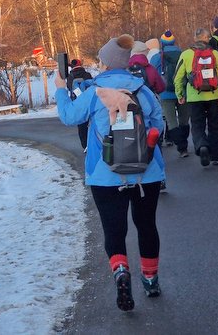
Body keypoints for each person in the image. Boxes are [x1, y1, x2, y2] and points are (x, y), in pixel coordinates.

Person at [55, 34, 165, 312]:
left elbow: (69, 117)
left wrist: (59, 89)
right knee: (147, 225)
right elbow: (159, 127)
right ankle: (150, 279)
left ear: (104, 63)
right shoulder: (143, 90)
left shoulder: (94, 92)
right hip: (146, 173)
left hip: (104, 174)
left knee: (114, 230)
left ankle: (121, 273)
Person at [174, 27, 218, 166]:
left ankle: (202, 145)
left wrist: (180, 94)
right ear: (207, 38)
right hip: (213, 95)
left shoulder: (186, 54)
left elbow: (178, 77)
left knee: (197, 126)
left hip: (194, 97)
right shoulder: (214, 53)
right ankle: (216, 156)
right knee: (215, 126)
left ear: (195, 39)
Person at [149, 31, 190, 157]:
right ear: (174, 42)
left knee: (172, 122)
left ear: (162, 43)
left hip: (165, 94)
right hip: (182, 92)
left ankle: (182, 148)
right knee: (184, 121)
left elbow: (152, 75)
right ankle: (184, 145)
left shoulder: (157, 57)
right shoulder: (183, 54)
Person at [66, 59, 94, 151]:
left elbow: (70, 88)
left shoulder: (70, 76)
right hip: (89, 102)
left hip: (77, 103)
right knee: (93, 123)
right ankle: (93, 143)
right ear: (81, 64)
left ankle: (85, 145)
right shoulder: (87, 75)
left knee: (81, 125)